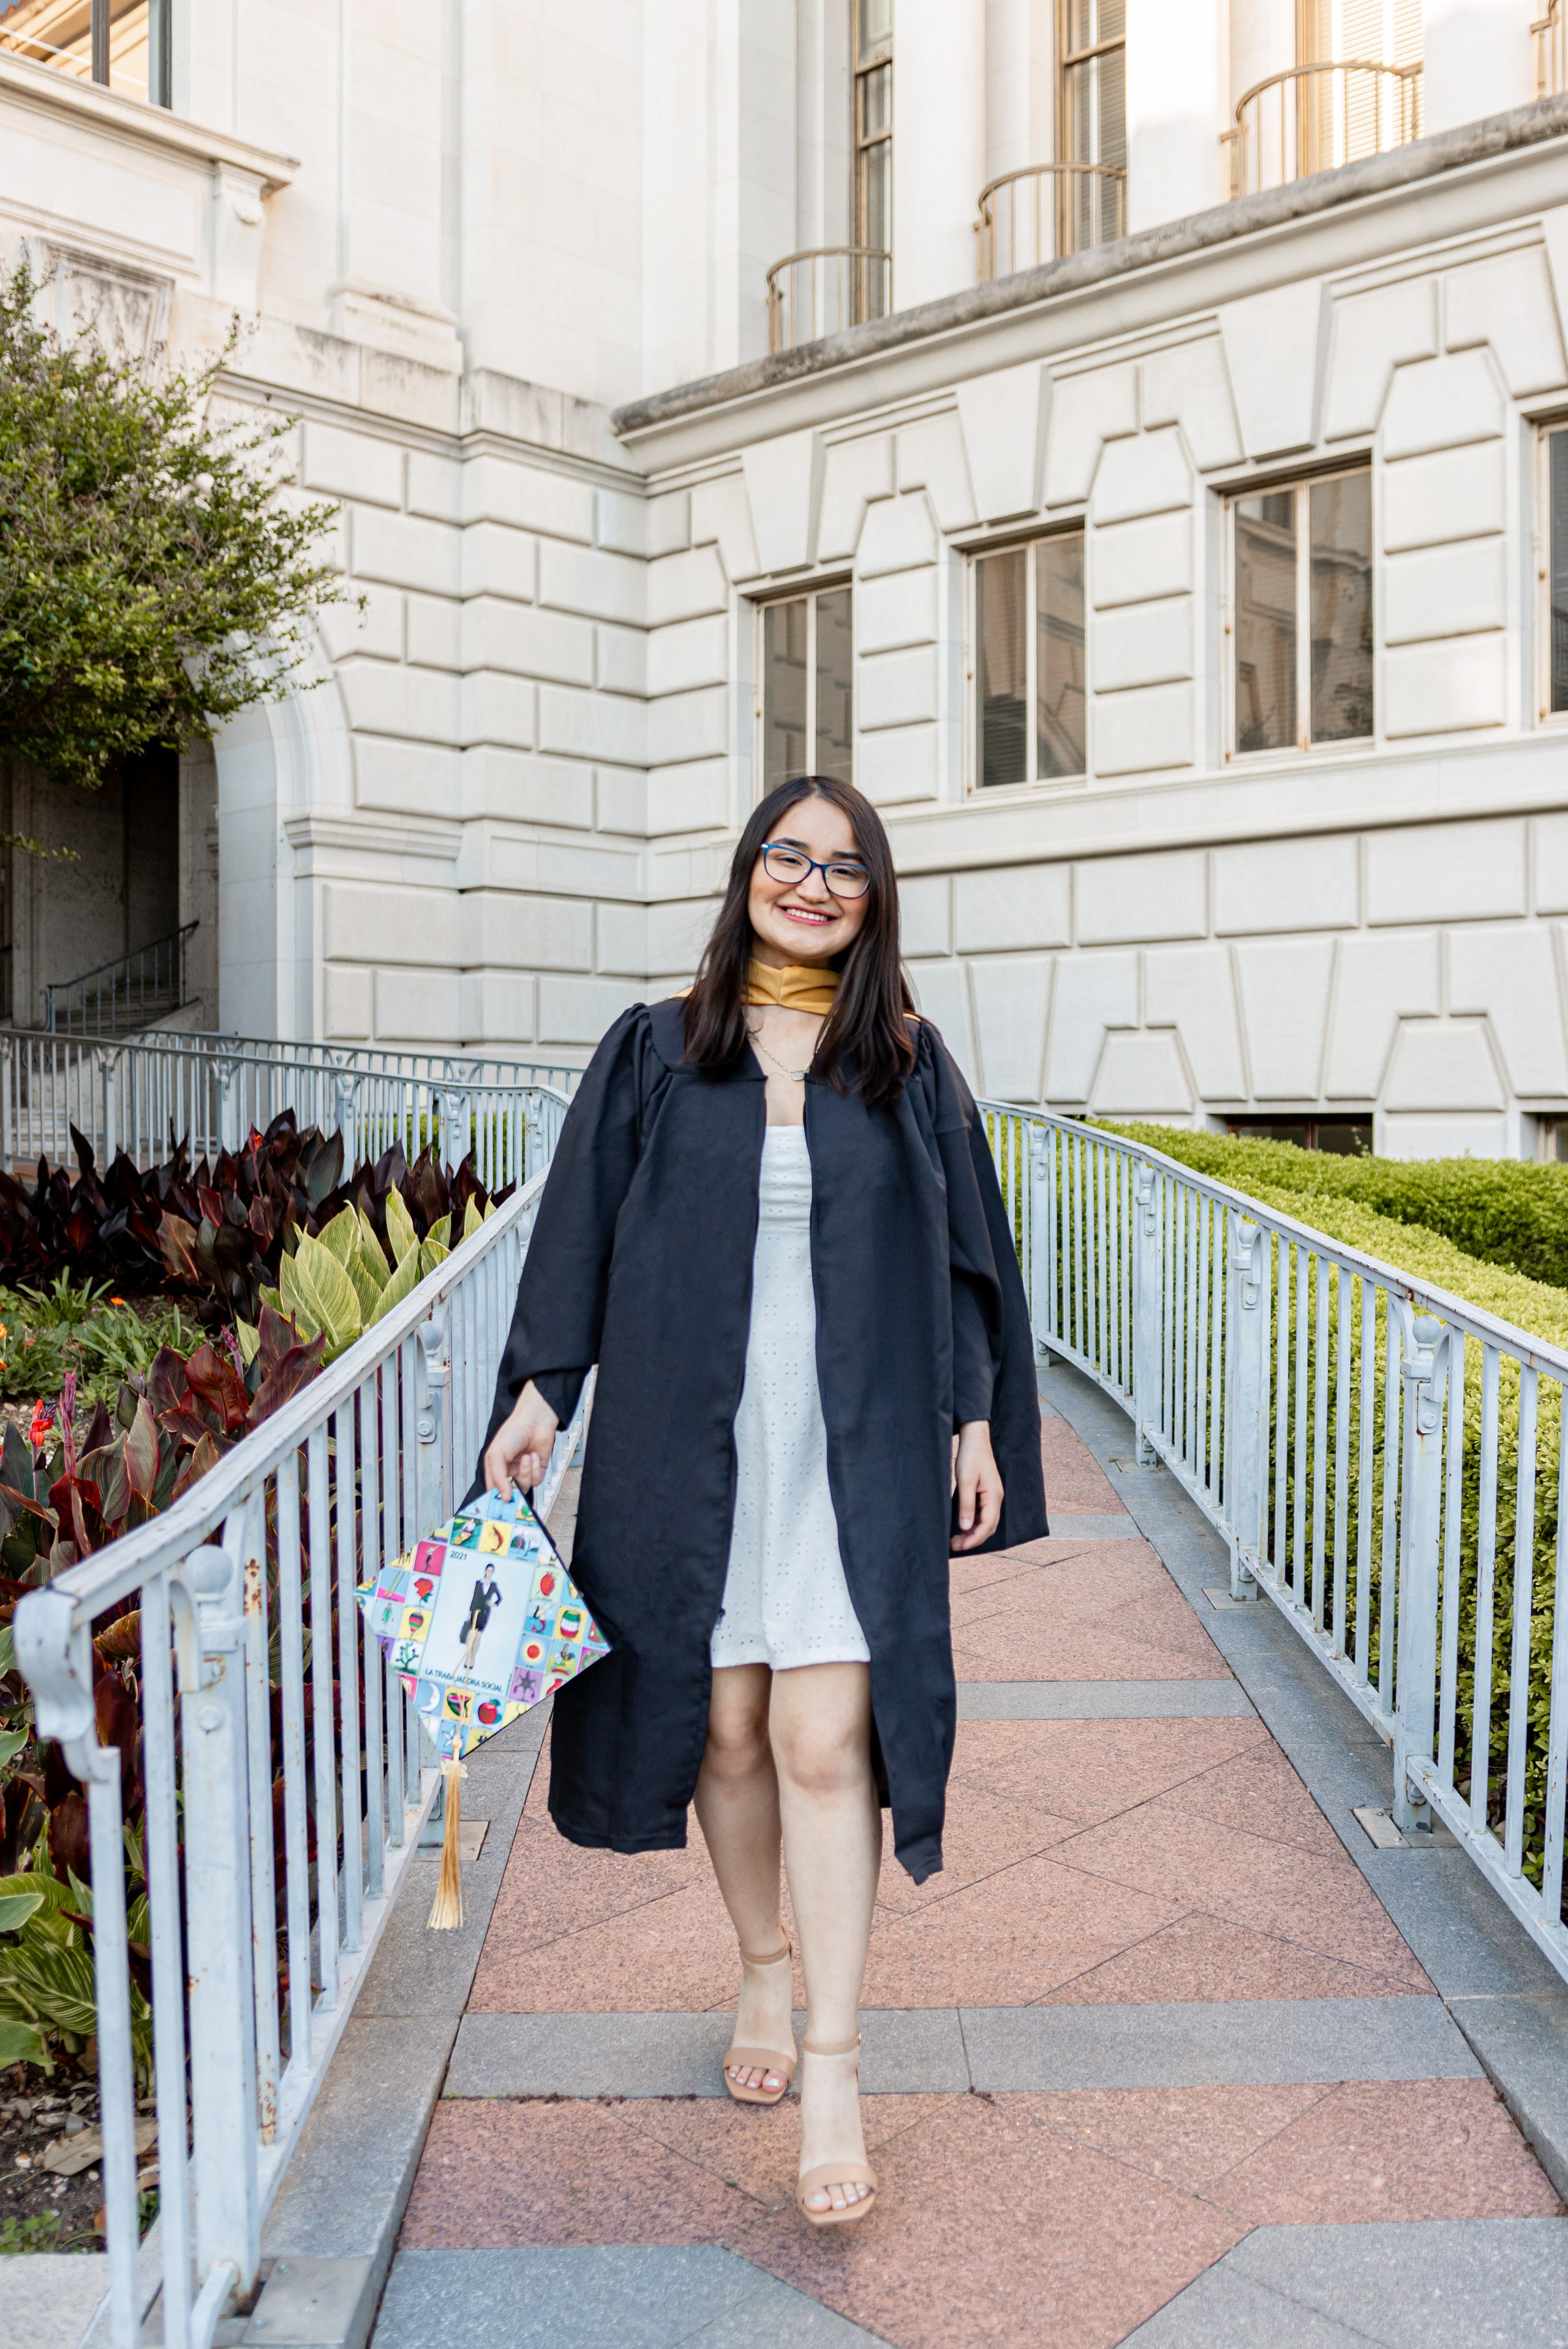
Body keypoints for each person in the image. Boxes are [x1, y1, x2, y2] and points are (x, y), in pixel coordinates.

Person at [480, 773, 1046, 2227]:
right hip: (690, 1440)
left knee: (820, 1734)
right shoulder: (656, 1049)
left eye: (842, 869)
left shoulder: (906, 1064)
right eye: (786, 857)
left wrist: (972, 1415)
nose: (809, 883)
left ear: (874, 900)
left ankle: (839, 2068)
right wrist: (543, 1391)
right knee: (722, 1722)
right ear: (745, 871)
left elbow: (967, 1257)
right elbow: (579, 1235)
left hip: (849, 1446)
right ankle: (758, 1968)